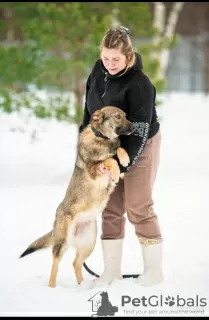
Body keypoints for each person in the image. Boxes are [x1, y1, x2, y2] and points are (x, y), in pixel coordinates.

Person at [79, 26, 163, 287]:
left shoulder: (140, 85)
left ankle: (154, 271)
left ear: (128, 56)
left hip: (141, 143)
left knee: (138, 206)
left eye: (116, 59)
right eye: (106, 58)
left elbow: (139, 131)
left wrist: (120, 164)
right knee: (110, 208)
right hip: (105, 147)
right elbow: (88, 112)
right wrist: (88, 152)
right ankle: (111, 271)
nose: (110, 64)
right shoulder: (97, 70)